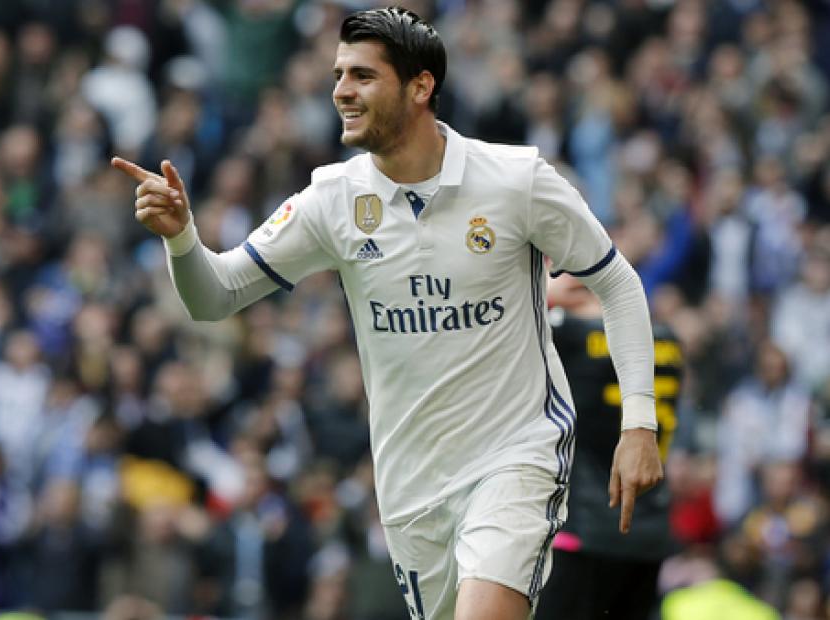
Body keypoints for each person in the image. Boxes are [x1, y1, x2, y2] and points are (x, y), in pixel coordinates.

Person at [112, 7, 663, 620]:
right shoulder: (332, 200)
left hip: (515, 455)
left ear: (420, 86)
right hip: (410, 483)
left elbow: (616, 281)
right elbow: (214, 297)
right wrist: (182, 239)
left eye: (363, 76)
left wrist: (639, 424)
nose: (341, 91)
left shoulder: (516, 181)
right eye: (338, 75)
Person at [536, 274, 683, 620]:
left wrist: (544, 296)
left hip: (584, 529)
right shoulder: (666, 337)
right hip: (648, 531)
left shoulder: (567, 333)